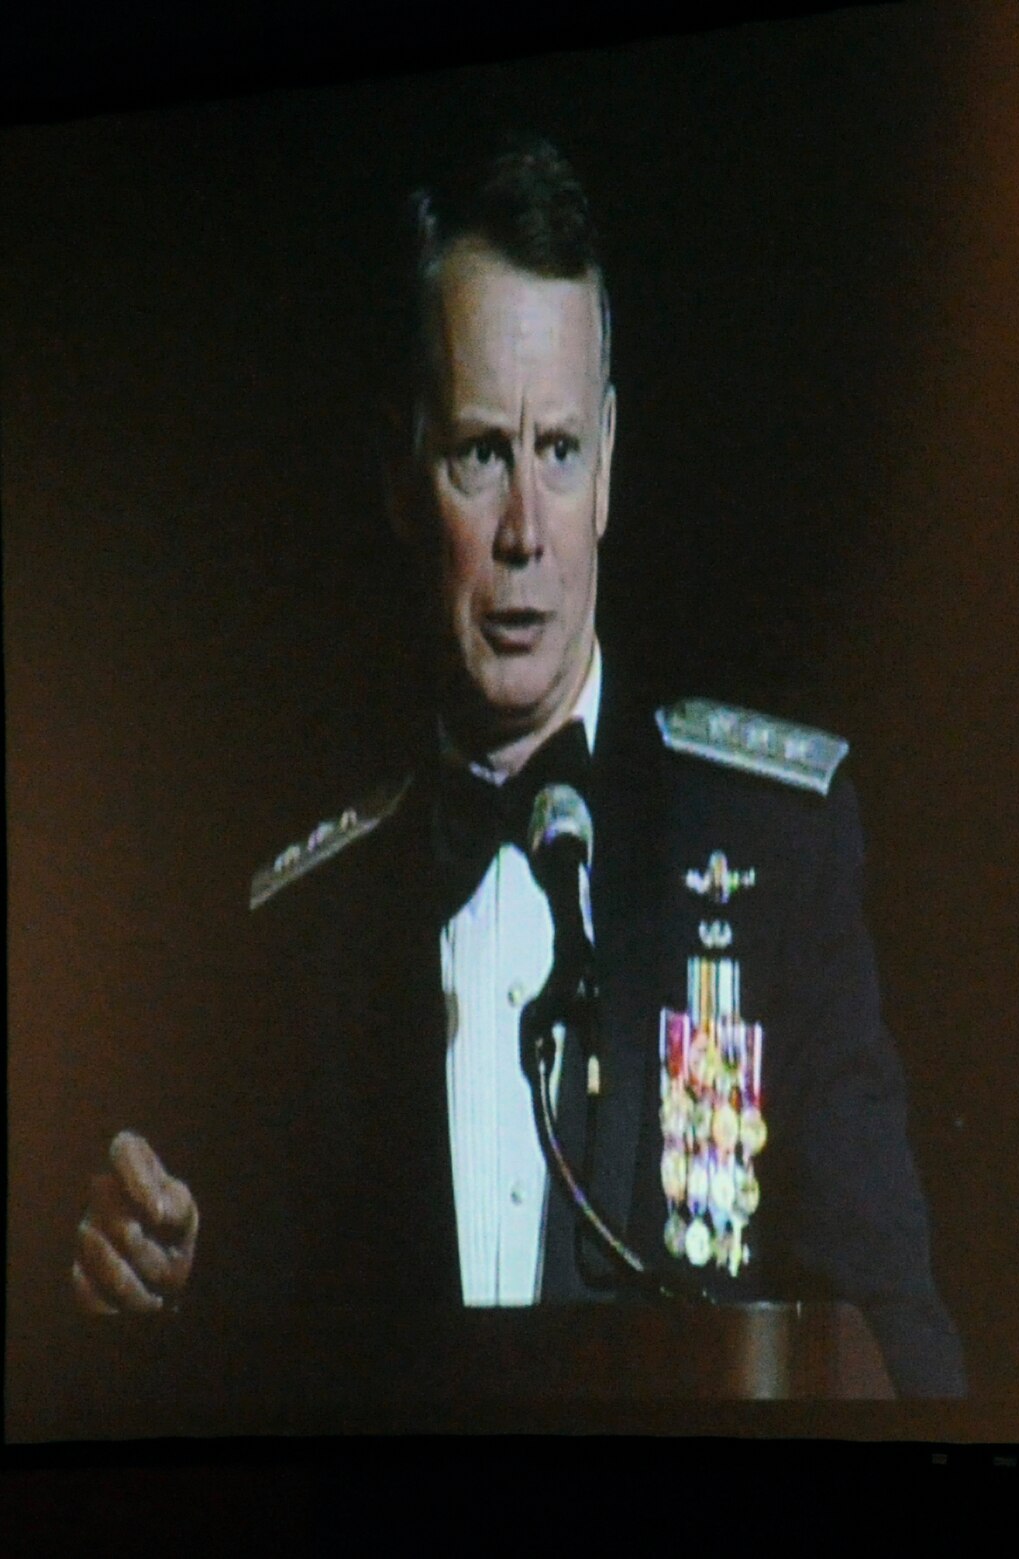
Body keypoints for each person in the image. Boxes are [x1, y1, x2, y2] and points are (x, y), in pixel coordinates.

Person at [65, 137, 967, 1398]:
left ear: (609, 458)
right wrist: (143, 1286)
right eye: (481, 453)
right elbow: (239, 1369)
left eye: (557, 451)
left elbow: (901, 1346)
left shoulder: (772, 846)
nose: (526, 533)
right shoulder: (303, 929)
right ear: (401, 471)